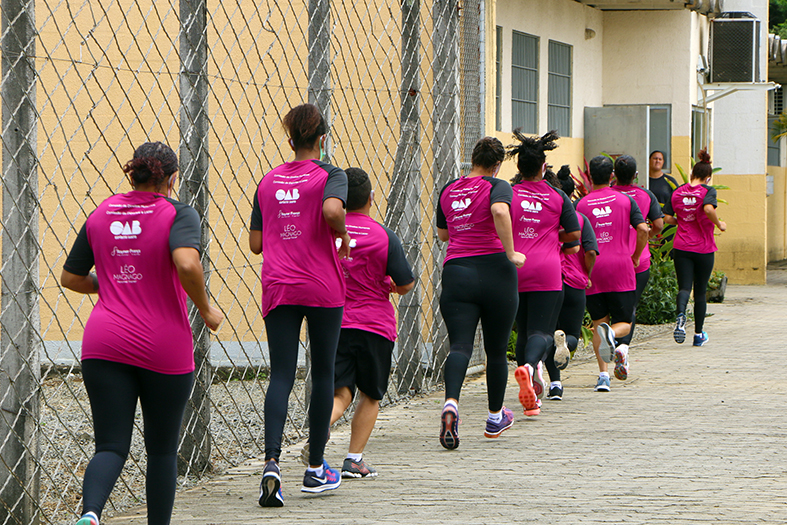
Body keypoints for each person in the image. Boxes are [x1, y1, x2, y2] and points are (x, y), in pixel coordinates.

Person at [61, 142, 223, 525]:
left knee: (111, 446)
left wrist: (116, 283)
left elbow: (70, 277)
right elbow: (186, 262)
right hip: (162, 346)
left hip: (104, 343)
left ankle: (90, 514)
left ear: (132, 174)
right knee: (162, 452)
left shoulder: (101, 214)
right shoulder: (178, 213)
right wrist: (205, 307)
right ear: (171, 178)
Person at [248, 103, 350, 506]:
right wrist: (340, 234)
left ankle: (272, 462)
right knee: (323, 373)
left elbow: (256, 244)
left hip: (279, 286)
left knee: (281, 375)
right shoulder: (330, 174)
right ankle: (315, 467)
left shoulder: (267, 181)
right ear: (322, 139)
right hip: (322, 286)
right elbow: (330, 210)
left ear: (290, 140)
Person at [436, 136, 525, 450]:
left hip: (458, 272)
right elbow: (500, 212)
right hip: (495, 271)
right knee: (496, 350)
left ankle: (451, 403)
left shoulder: (449, 189)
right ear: (497, 164)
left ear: (471, 159)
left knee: (459, 345)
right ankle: (495, 417)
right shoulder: (497, 186)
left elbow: (443, 234)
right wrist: (511, 252)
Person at [327, 167, 415, 477]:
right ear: (371, 198)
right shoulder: (384, 235)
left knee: (341, 393)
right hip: (375, 326)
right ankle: (354, 459)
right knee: (372, 394)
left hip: (336, 323)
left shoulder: (330, 233)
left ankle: (319, 434)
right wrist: (390, 282)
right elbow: (405, 284)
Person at [506, 131, 580, 416]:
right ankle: (530, 367)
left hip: (515, 269)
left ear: (519, 167)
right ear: (543, 167)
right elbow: (574, 233)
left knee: (523, 330)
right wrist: (551, 234)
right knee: (544, 332)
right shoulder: (558, 196)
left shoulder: (508, 194)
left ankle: (533, 394)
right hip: (547, 272)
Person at [575, 155, 648, 392]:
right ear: (611, 176)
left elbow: (576, 241)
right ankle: (613, 334)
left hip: (593, 269)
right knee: (624, 323)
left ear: (591, 177)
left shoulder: (582, 204)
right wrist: (636, 255)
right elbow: (643, 229)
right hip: (620, 267)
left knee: (598, 323)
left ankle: (603, 376)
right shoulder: (625, 201)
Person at [663, 148, 726, 347]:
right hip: (704, 249)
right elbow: (708, 208)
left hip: (682, 247)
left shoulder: (678, 191)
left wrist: (682, 220)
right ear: (708, 177)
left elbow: (666, 218)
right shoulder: (707, 191)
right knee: (700, 291)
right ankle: (698, 335)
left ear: (691, 174)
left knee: (684, 286)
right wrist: (719, 224)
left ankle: (681, 316)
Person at [545, 168, 598, 401]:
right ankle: (566, 343)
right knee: (571, 334)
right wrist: (587, 274)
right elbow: (591, 252)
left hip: (549, 280)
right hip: (575, 282)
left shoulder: (541, 214)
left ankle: (555, 384)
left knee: (548, 333)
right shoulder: (580, 219)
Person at [611, 155, 664, 378]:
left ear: (613, 175)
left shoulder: (606, 195)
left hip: (610, 259)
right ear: (635, 176)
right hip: (638, 260)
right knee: (629, 306)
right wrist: (645, 238)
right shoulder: (645, 195)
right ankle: (623, 347)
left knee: (610, 307)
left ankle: (611, 344)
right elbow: (659, 225)